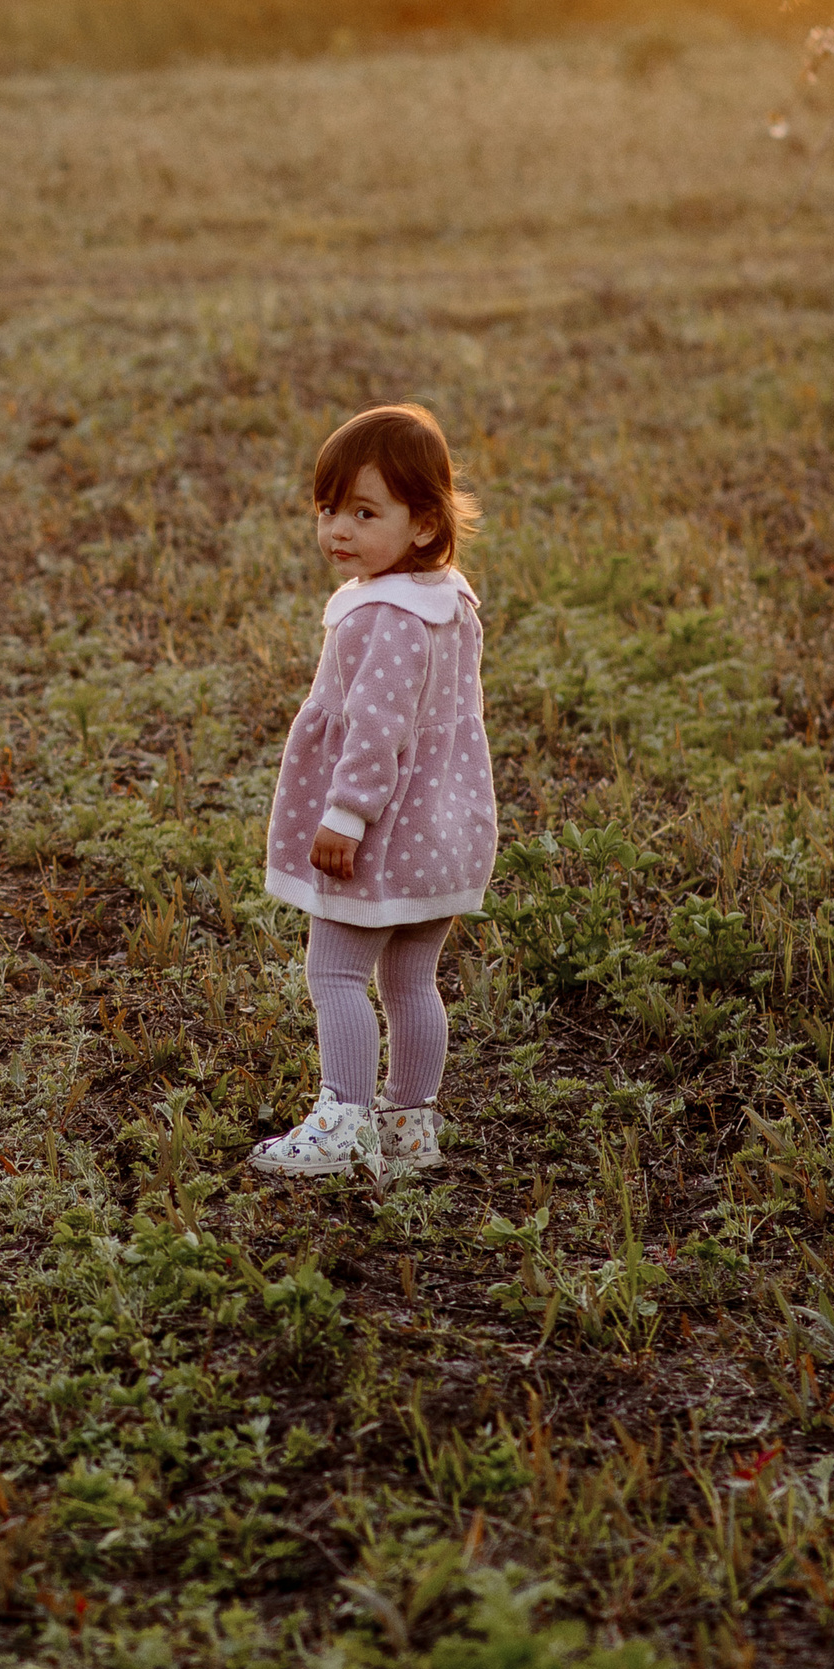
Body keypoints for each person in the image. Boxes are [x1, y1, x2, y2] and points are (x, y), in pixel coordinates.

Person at [250, 402, 497, 1185]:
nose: (338, 530)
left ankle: (344, 1119)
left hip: (383, 834)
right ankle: (410, 1125)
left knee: (334, 974)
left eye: (364, 511)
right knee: (412, 979)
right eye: (327, 509)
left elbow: (377, 730)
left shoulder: (384, 615)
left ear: (423, 524)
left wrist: (344, 817)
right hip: (446, 828)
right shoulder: (448, 600)